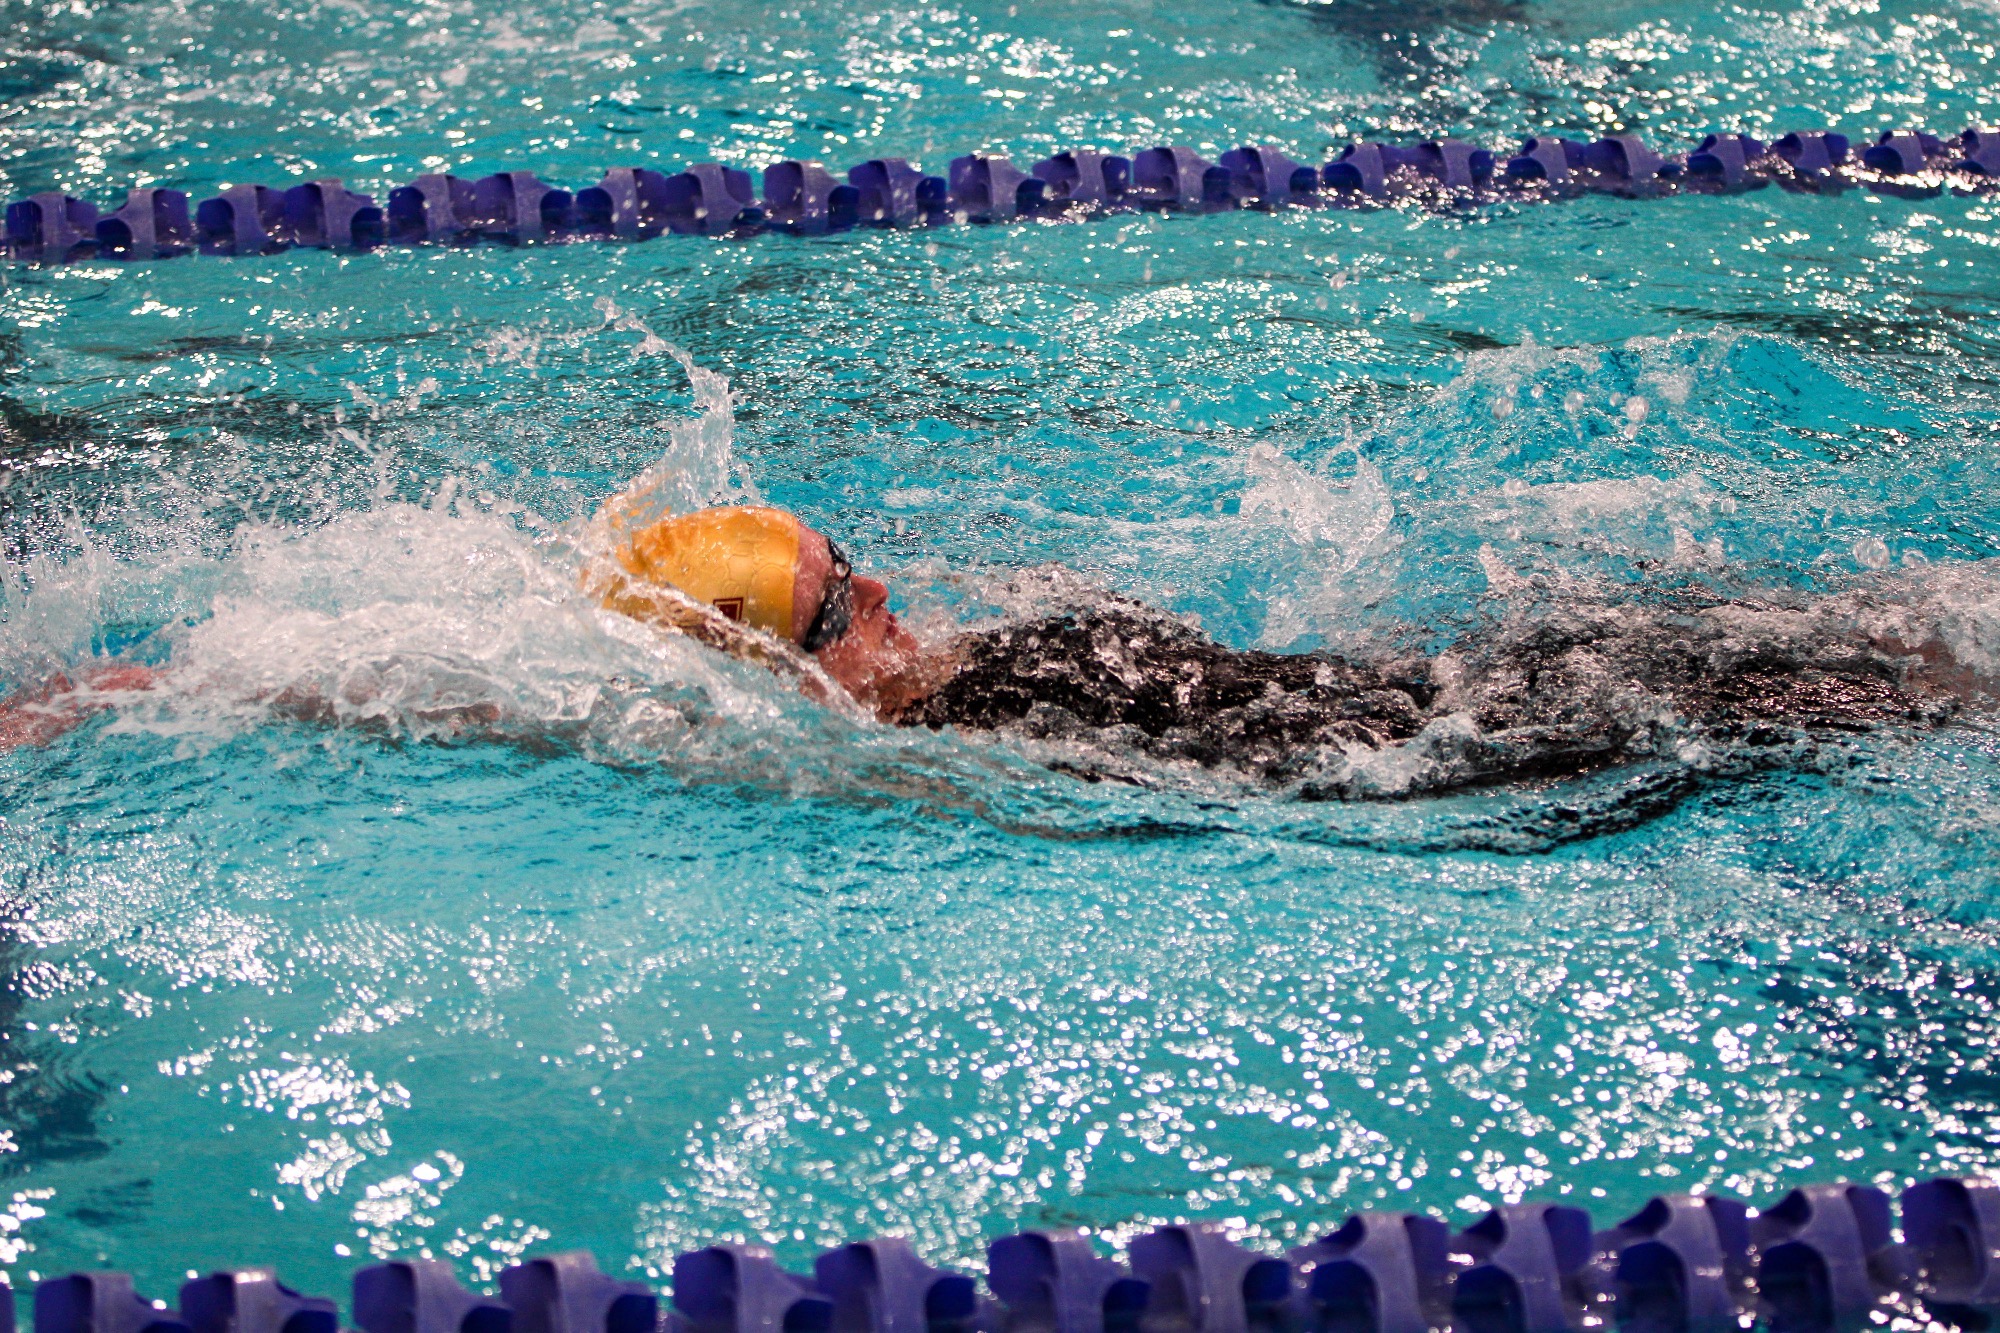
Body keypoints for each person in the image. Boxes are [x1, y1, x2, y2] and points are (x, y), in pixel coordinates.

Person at [0, 503, 1983, 797]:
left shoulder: (945, 713)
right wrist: (167, 686)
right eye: (838, 610)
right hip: (1499, 704)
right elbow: (528, 704)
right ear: (791, 662)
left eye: (858, 573)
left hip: (1494, 712)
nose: (882, 601)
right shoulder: (947, 719)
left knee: (1908, 669)